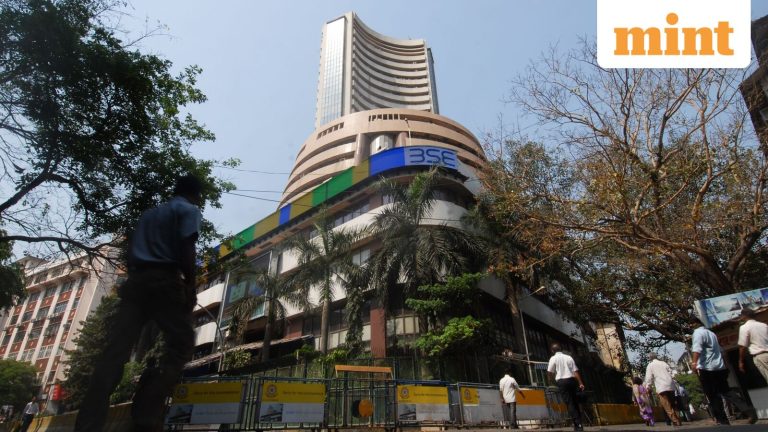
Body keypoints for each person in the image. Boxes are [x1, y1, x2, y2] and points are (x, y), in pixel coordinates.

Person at [74, 175, 204, 432]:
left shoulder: (149, 215)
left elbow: (131, 252)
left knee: (113, 353)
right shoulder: (189, 210)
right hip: (165, 282)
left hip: (135, 284)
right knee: (181, 343)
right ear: (196, 194)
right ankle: (146, 411)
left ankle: (88, 425)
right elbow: (186, 247)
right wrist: (190, 285)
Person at [690, 314, 758, 425]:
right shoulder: (711, 334)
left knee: (712, 395)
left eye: (691, 324)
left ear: (695, 324)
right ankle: (749, 410)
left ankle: (722, 420)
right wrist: (725, 365)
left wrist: (694, 363)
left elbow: (697, 349)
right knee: (727, 391)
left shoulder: (697, 333)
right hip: (719, 367)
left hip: (707, 368)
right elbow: (722, 351)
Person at [547, 343, 586, 431]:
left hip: (562, 382)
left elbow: (549, 372)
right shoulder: (569, 357)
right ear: (561, 349)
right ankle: (578, 424)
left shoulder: (553, 358)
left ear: (552, 351)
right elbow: (575, 371)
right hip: (572, 381)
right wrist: (580, 383)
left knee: (569, 403)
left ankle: (578, 424)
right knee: (575, 402)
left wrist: (551, 381)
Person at [643, 352, 681, 426]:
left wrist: (648, 387)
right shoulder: (663, 363)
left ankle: (675, 420)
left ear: (650, 358)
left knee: (666, 405)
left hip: (661, 387)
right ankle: (678, 419)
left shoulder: (650, 365)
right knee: (673, 404)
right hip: (670, 385)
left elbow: (649, 378)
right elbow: (671, 372)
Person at [738, 307, 768, 382]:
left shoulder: (744, 327)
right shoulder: (763, 325)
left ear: (744, 316)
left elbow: (742, 346)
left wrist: (741, 361)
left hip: (761, 356)